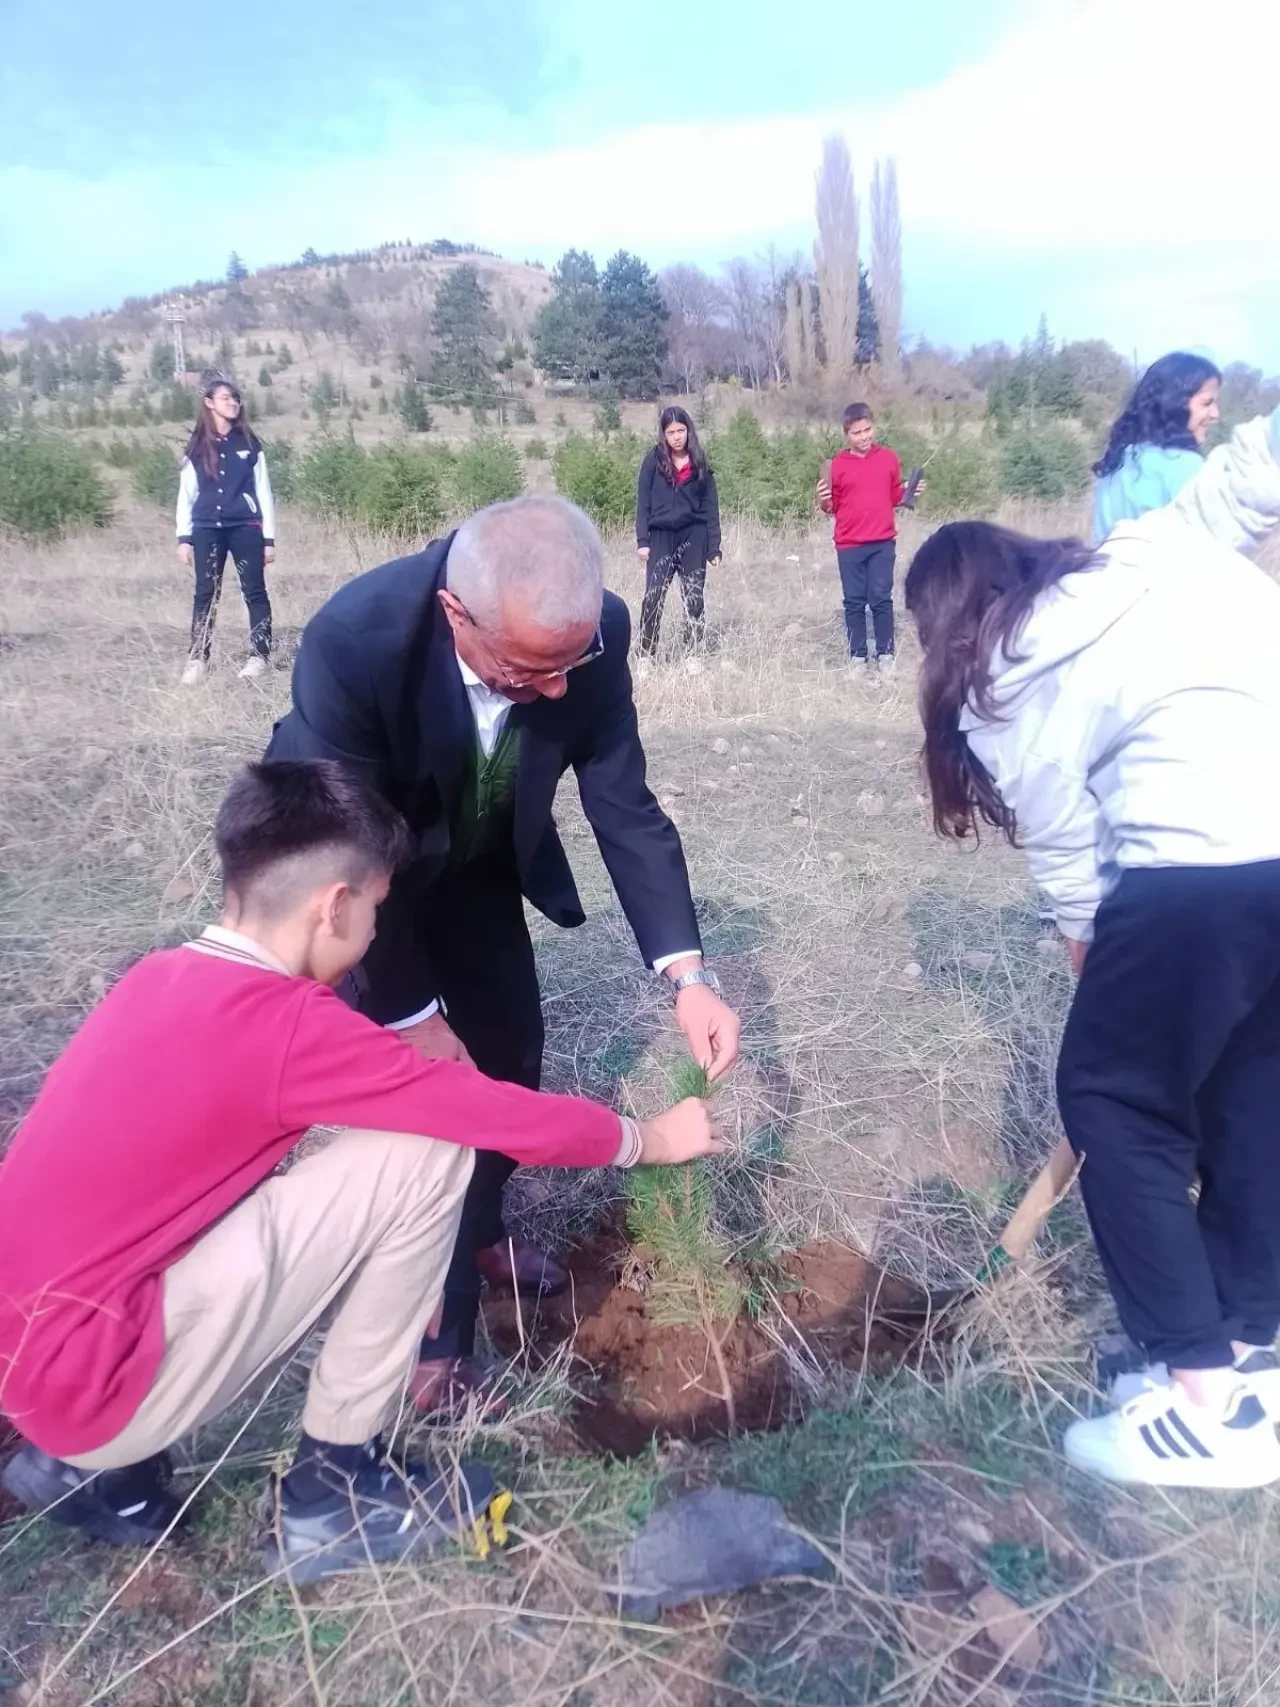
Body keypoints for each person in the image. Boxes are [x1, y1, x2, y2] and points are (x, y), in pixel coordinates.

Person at [0, 759, 721, 1581]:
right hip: (95, 1386)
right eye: (377, 907)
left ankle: (88, 1473)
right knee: (429, 1152)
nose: (376, 931)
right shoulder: (286, 1025)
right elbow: (488, 1115)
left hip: (33, 1358)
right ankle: (333, 1491)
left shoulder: (157, 978)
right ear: (334, 905)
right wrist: (650, 1136)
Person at [266, 494, 741, 1412]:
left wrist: (690, 977)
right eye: (529, 671)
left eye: (570, 667)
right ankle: (437, 1335)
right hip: (357, 886)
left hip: (475, 868)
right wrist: (413, 1015)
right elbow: (339, 855)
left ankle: (482, 1228)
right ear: (458, 614)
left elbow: (623, 805)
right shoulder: (358, 642)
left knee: (512, 1057)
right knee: (430, 1111)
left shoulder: (589, 633)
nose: (557, 691)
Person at [904, 401, 1280, 1489]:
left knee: (1115, 1103)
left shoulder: (999, 677)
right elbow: (1250, 470)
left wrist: (1089, 949)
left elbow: (1071, 857)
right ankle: (1252, 1350)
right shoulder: (1153, 544)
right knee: (1250, 1095)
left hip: (1200, 865)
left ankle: (1200, 1405)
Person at [176, 372, 276, 685]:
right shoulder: (196, 446)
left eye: (236, 398)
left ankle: (259, 656)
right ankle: (198, 659)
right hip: (206, 529)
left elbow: (264, 491)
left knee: (254, 591)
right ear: (209, 403)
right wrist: (184, 538)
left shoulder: (249, 443)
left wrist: (268, 539)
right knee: (205, 593)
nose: (233, 403)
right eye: (225, 398)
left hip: (246, 527)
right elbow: (186, 494)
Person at [817, 403, 917, 677]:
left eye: (867, 430)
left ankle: (886, 654)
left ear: (874, 427)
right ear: (847, 434)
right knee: (854, 601)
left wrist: (910, 491)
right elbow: (831, 507)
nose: (863, 437)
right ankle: (858, 656)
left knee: (881, 599)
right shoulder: (837, 465)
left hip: (882, 542)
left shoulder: (888, 458)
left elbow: (894, 495)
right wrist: (823, 499)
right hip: (849, 544)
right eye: (857, 433)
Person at [1091, 351, 1221, 543]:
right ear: (1176, 404)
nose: (1215, 413)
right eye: (1207, 403)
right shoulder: (1187, 465)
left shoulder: (1119, 457)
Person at [635, 407, 722, 656]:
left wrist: (714, 547)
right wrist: (643, 541)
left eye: (681, 431)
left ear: (688, 431)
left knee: (694, 597)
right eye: (671, 432)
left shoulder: (699, 462)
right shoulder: (653, 461)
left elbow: (710, 507)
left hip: (694, 536)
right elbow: (643, 503)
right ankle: (646, 654)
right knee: (653, 597)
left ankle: (693, 653)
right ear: (664, 434)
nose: (676, 437)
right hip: (660, 537)